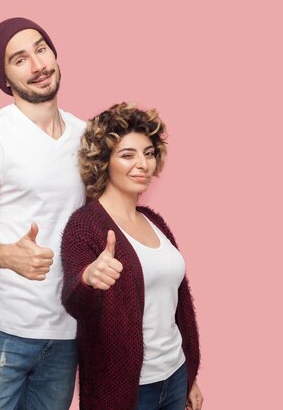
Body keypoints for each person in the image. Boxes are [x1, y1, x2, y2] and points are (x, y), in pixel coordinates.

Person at [0, 17, 86, 410]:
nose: (37, 65)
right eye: (19, 59)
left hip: (65, 333)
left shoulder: (87, 136)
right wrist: (5, 255)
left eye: (41, 49)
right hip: (2, 331)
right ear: (5, 79)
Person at [61, 103, 204, 410]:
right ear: (104, 161)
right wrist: (88, 279)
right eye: (128, 155)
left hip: (175, 376)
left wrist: (190, 376)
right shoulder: (85, 225)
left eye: (149, 153)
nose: (143, 164)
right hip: (129, 390)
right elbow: (74, 301)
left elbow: (175, 303)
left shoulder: (154, 220)